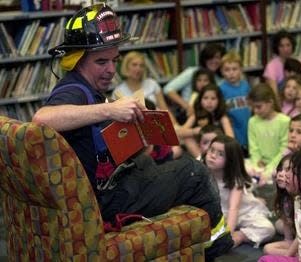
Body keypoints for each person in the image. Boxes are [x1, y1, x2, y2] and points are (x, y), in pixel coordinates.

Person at [32, 4, 233, 259]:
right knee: (195, 172)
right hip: (107, 201)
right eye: (101, 61)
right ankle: (217, 247)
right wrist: (109, 111)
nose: (111, 70)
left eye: (114, 60)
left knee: (151, 161)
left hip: (105, 189)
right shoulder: (72, 90)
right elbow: (41, 119)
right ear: (77, 60)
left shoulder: (83, 86)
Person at [205, 135, 275, 248]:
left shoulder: (235, 180)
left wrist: (228, 235)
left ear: (230, 160)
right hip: (221, 213)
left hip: (244, 213)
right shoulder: (203, 172)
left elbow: (234, 208)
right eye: (211, 150)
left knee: (268, 229)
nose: (213, 155)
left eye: (220, 154)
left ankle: (241, 235)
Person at [163, 43, 226, 119]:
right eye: (210, 58)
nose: (214, 61)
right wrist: (187, 106)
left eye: (217, 58)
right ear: (204, 59)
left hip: (211, 115)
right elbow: (168, 89)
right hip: (190, 114)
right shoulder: (192, 72)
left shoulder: (221, 78)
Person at [247, 83, 290, 182]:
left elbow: (284, 149)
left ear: (270, 102)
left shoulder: (284, 121)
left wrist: (269, 168)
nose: (255, 111)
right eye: (253, 107)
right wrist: (257, 163)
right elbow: (253, 147)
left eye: (258, 107)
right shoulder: (252, 121)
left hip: (278, 165)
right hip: (258, 166)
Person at [179, 83, 234, 157]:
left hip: (218, 148)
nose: (209, 102)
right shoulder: (195, 115)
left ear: (219, 100)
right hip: (200, 150)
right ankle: (200, 160)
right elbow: (179, 133)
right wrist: (194, 131)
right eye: (205, 98)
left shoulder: (221, 116)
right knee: (187, 137)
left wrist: (217, 136)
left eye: (213, 98)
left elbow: (230, 137)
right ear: (200, 100)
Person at [263, 155, 295, 256]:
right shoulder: (285, 197)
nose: (280, 174)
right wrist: (288, 240)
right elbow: (288, 240)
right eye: (280, 169)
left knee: (268, 250)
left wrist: (289, 253)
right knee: (279, 225)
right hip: (299, 236)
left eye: (287, 170)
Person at [219, 51, 251, 149]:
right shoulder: (221, 88)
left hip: (247, 125)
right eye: (227, 70)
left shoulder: (246, 85)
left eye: (234, 69)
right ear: (222, 72)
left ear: (241, 69)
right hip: (232, 129)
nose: (231, 73)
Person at [263, 30, 301, 95]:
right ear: (277, 48)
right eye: (281, 46)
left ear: (292, 46)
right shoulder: (271, 66)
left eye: (288, 45)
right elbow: (274, 95)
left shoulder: (299, 62)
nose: (285, 49)